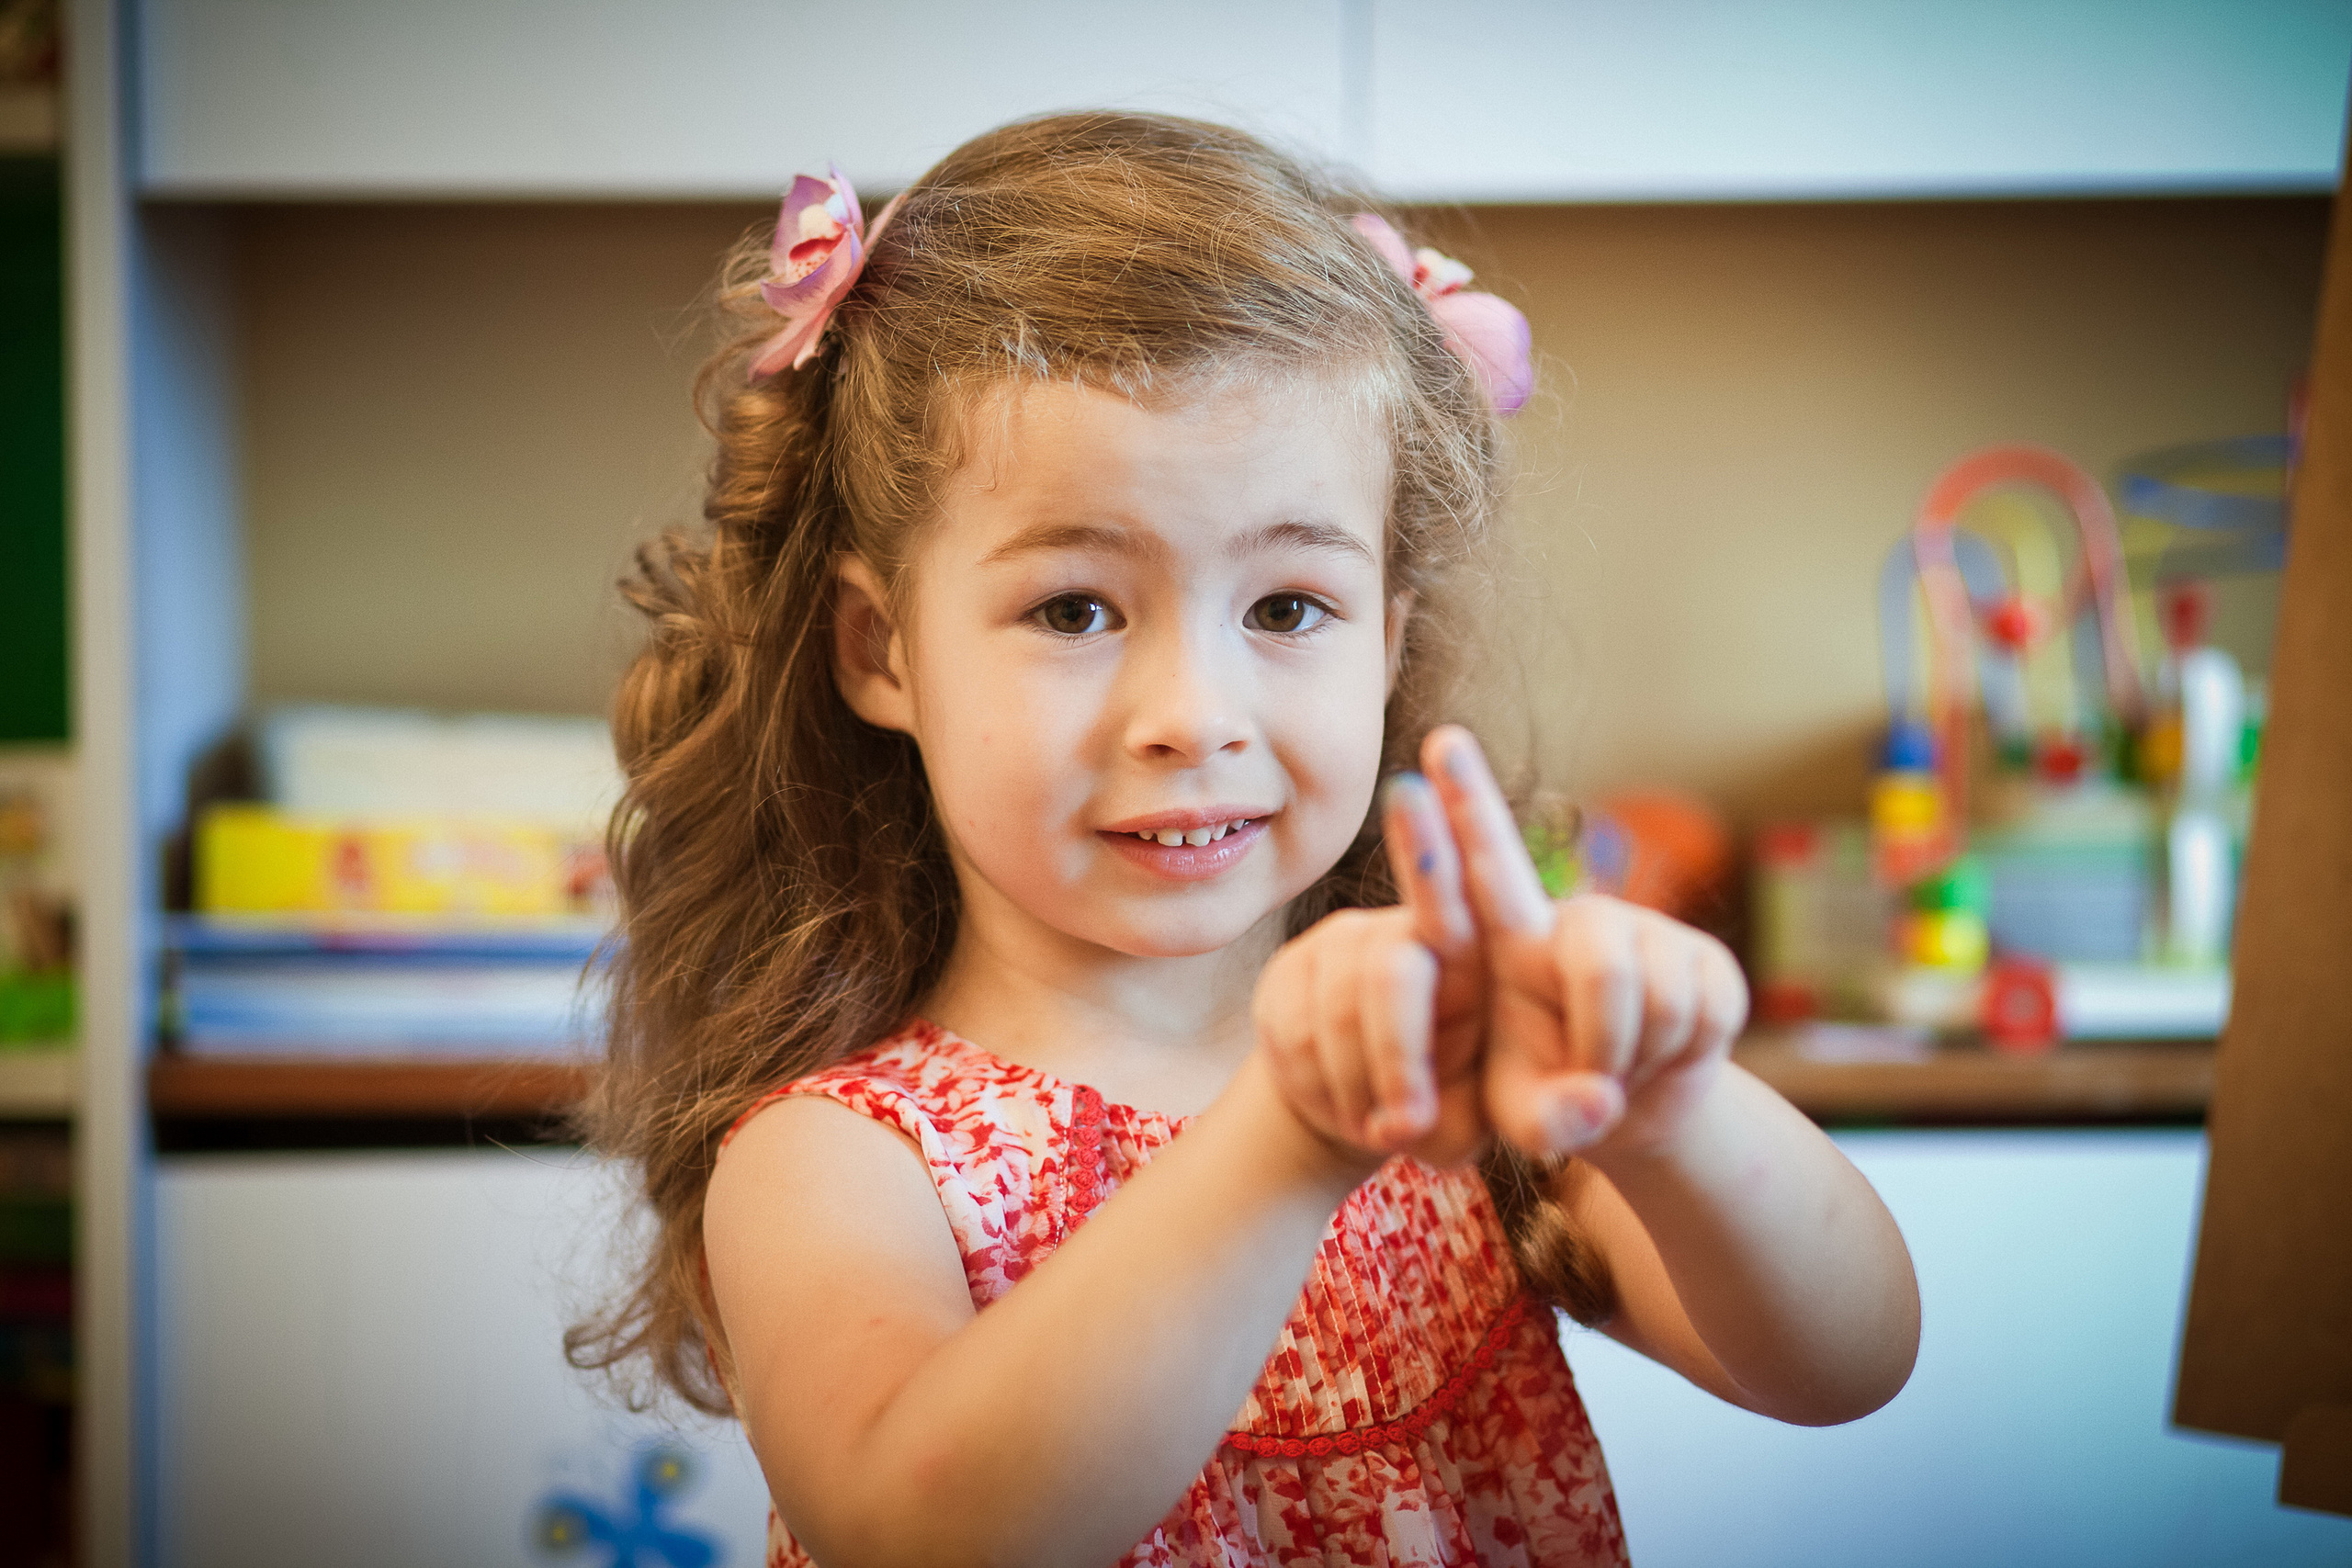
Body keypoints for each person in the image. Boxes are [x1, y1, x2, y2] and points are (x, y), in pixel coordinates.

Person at [570, 111, 1920, 1567]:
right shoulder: (837, 1160)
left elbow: (1847, 1366)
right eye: (1076, 609)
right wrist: (1289, 1143)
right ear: (881, 648)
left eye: (1285, 609)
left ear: (1387, 647)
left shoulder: (1463, 1081)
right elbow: (922, 1536)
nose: (1192, 716)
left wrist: (1668, 1107)